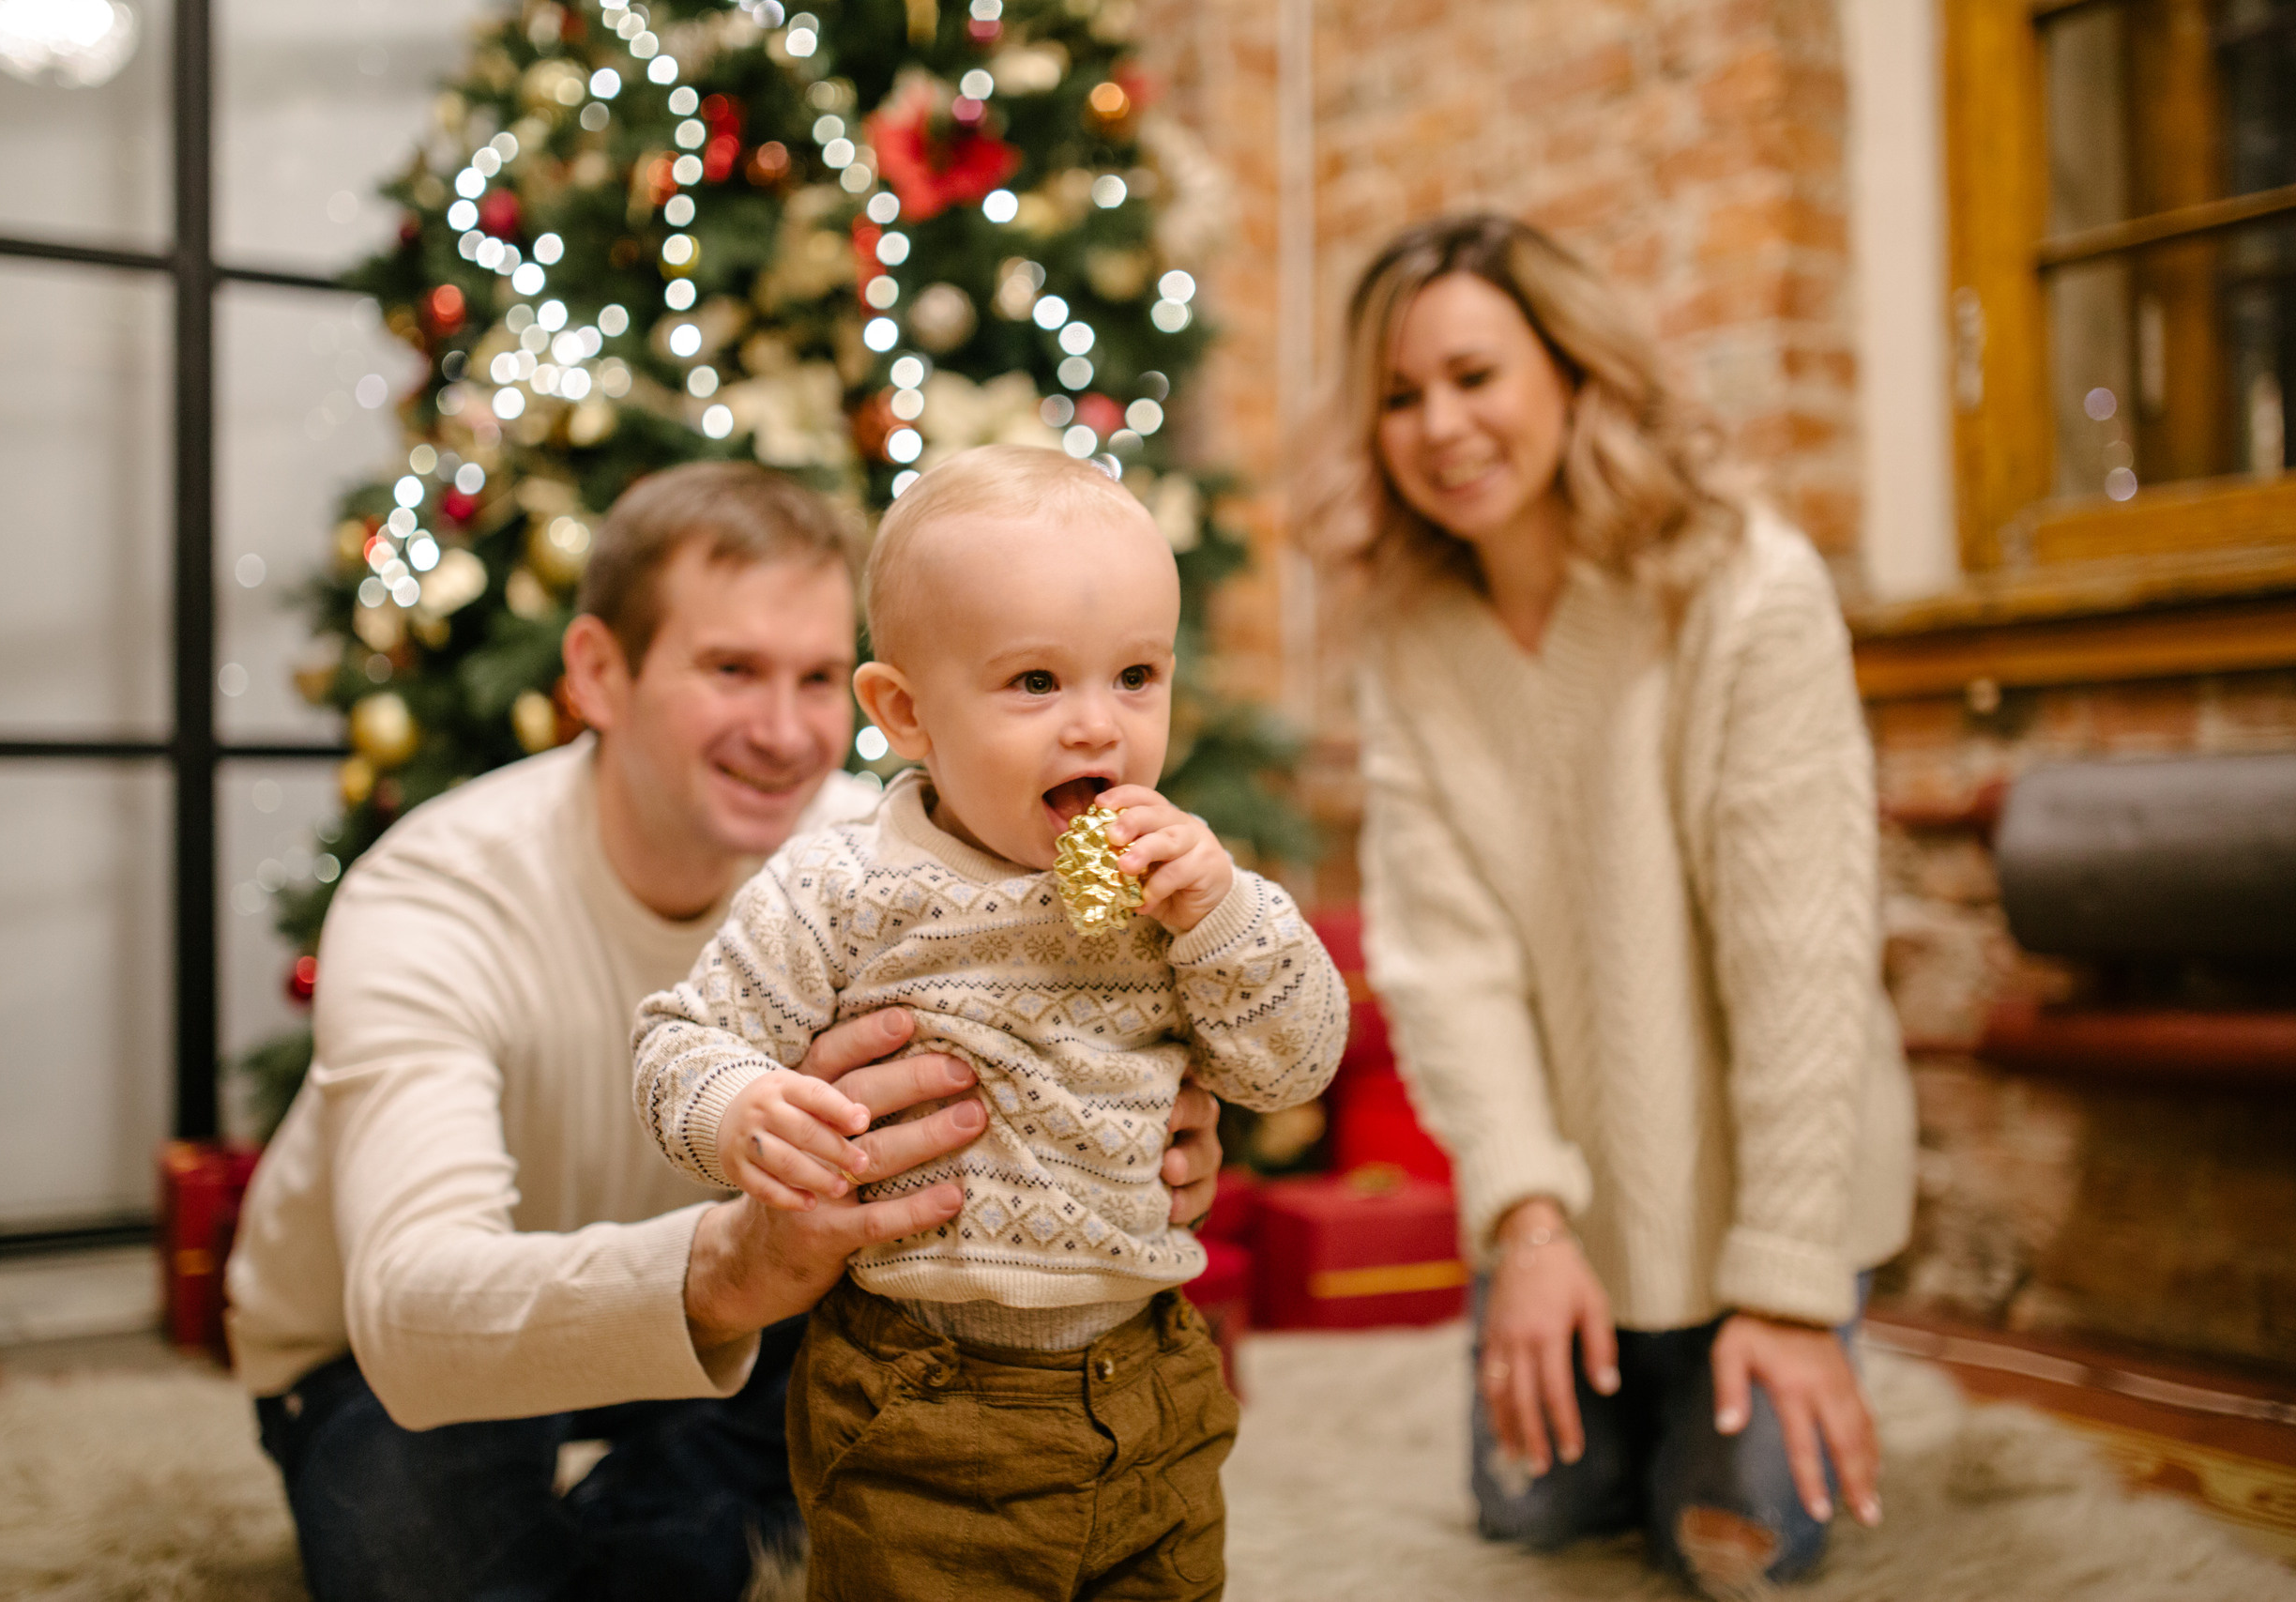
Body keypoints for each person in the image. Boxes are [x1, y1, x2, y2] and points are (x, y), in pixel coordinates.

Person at [222, 461, 1226, 1602]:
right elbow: (409, 1311)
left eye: (816, 679)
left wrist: (1141, 1131)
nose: (785, 733)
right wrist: (735, 1267)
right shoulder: (435, 896)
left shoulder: (893, 865)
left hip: (764, 1315)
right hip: (407, 1354)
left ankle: (674, 1506)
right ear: (598, 674)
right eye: (732, 670)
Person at [631, 444, 1349, 1602]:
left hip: (1146, 1372)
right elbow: (678, 1043)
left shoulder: (1188, 894)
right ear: (905, 711)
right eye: (1035, 682)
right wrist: (742, 1110)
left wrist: (1221, 920)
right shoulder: (839, 887)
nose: (1098, 728)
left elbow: (1292, 1068)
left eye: (1135, 676)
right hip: (924, 1396)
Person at [1315, 213, 1915, 1594]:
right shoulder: (1407, 640)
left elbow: (1800, 962)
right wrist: (1526, 1225)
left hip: (1767, 1202)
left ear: (1574, 373)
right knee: (1534, 1523)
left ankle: (1769, 1344)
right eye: (1399, 396)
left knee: (1732, 1555)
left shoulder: (1746, 585)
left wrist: (1786, 1286)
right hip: (1568, 1213)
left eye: (1475, 376)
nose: (1440, 427)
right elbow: (1447, 966)